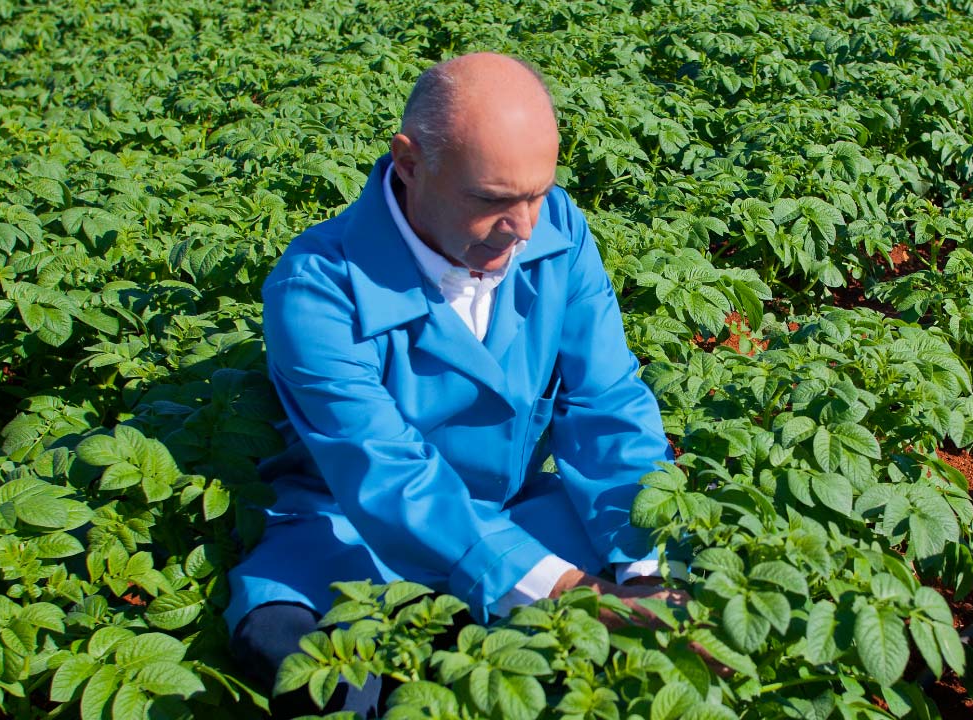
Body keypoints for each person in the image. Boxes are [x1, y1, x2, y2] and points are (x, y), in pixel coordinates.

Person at [224, 52, 685, 718]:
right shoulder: (318, 289)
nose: (524, 227)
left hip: (519, 512)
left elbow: (606, 404)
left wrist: (641, 571)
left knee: (684, 575)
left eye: (538, 193)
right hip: (356, 534)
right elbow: (385, 475)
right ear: (410, 164)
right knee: (306, 660)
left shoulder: (560, 233)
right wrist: (572, 594)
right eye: (493, 200)